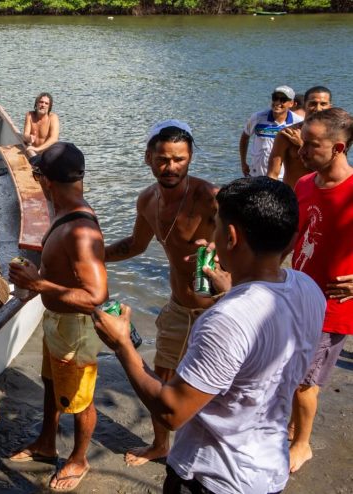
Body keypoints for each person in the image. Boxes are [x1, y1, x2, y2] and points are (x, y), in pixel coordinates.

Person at [93, 176, 326, 494]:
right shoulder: (308, 289)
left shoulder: (226, 320)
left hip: (213, 478)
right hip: (268, 473)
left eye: (215, 225)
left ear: (230, 236)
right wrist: (233, 292)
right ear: (292, 240)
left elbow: (172, 411)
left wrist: (121, 344)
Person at [103, 120, 218, 466]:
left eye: (179, 159)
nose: (171, 167)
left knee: (221, 386)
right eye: (163, 159)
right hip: (178, 306)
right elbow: (135, 245)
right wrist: (94, 254)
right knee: (163, 374)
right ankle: (160, 444)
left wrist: (218, 247)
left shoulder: (210, 198)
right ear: (148, 158)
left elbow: (252, 239)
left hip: (216, 307)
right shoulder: (147, 200)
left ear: (191, 158)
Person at [7, 142, 108, 492]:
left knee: (80, 400)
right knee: (52, 387)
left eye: (37, 175)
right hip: (57, 322)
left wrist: (38, 282)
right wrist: (38, 279)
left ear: (46, 180)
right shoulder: (63, 212)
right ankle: (46, 442)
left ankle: (79, 458)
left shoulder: (80, 227)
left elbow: (97, 297)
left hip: (75, 327)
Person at [289, 107, 353, 473]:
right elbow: (293, 237)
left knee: (304, 381)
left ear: (339, 147)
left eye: (311, 145)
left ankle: (302, 445)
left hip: (333, 305)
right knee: (291, 368)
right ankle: (293, 426)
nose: (301, 152)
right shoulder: (303, 184)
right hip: (298, 295)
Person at [267, 86, 332, 189]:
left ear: (330, 107)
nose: (318, 108)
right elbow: (272, 174)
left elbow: (332, 170)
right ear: (305, 105)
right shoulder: (287, 134)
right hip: (294, 198)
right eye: (313, 103)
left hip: (322, 197)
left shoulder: (335, 135)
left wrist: (302, 144)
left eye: (323, 104)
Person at [240, 85, 303, 178]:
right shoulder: (257, 118)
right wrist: (243, 163)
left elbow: (306, 148)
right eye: (275, 98)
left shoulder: (298, 122)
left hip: (282, 178)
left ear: (292, 103)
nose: (277, 102)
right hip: (257, 175)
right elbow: (245, 138)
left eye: (283, 100)